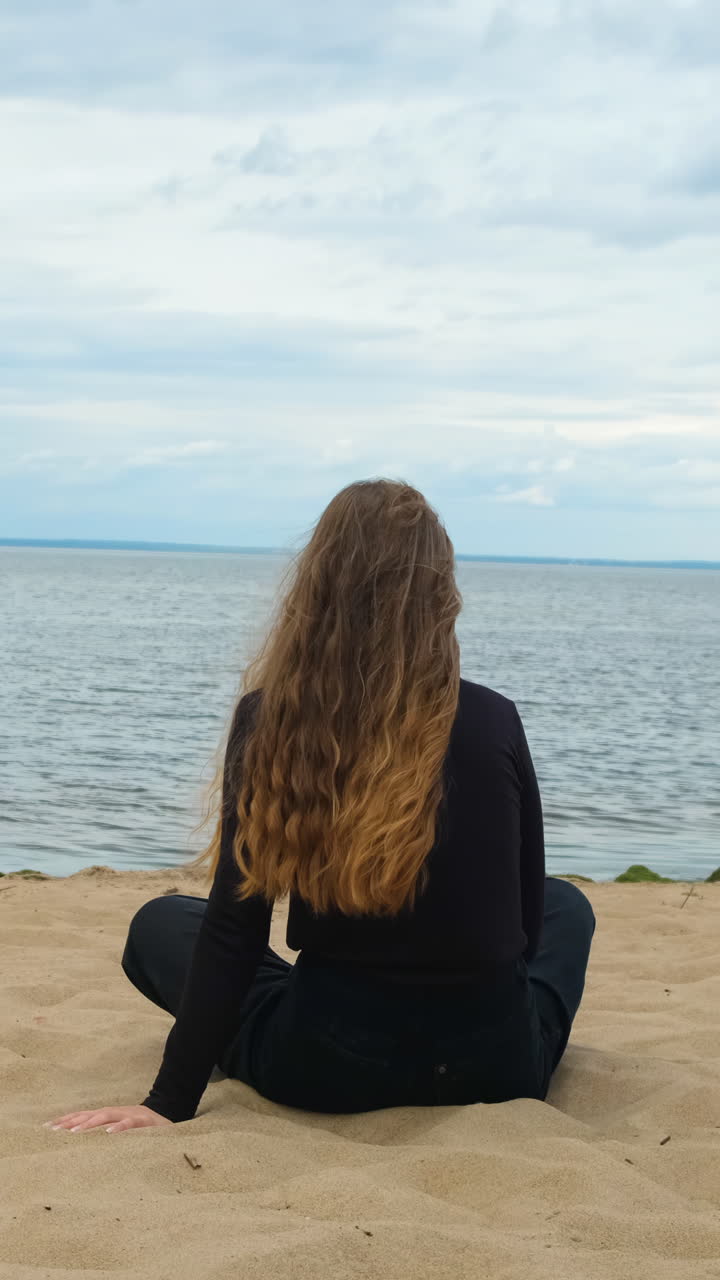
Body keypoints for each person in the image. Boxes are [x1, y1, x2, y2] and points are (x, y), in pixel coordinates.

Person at [45, 478, 595, 1136]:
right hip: (495, 1068)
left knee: (161, 924)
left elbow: (234, 929)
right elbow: (526, 929)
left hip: (328, 1063)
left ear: (320, 588)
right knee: (566, 904)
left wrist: (168, 1101)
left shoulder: (275, 720)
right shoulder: (493, 718)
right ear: (440, 595)